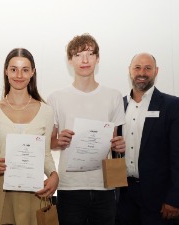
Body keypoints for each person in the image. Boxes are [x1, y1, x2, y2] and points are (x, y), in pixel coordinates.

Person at [47, 33, 126, 225]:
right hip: (69, 186)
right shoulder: (56, 97)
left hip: (104, 187)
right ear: (70, 60)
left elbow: (116, 142)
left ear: (97, 59)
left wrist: (120, 145)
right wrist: (59, 141)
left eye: (90, 54)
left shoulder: (113, 96)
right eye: (78, 54)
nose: (84, 60)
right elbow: (50, 142)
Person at [0, 48, 59, 225]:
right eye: (14, 69)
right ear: (6, 71)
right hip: (1, 193)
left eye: (25, 69)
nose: (19, 75)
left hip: (34, 193)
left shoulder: (46, 111)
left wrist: (54, 175)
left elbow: (46, 155)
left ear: (33, 72)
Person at [117, 53, 179, 225]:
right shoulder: (119, 105)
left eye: (147, 68)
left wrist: (174, 197)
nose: (142, 72)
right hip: (124, 197)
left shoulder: (174, 106)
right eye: (137, 67)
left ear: (156, 71)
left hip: (159, 200)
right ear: (129, 71)